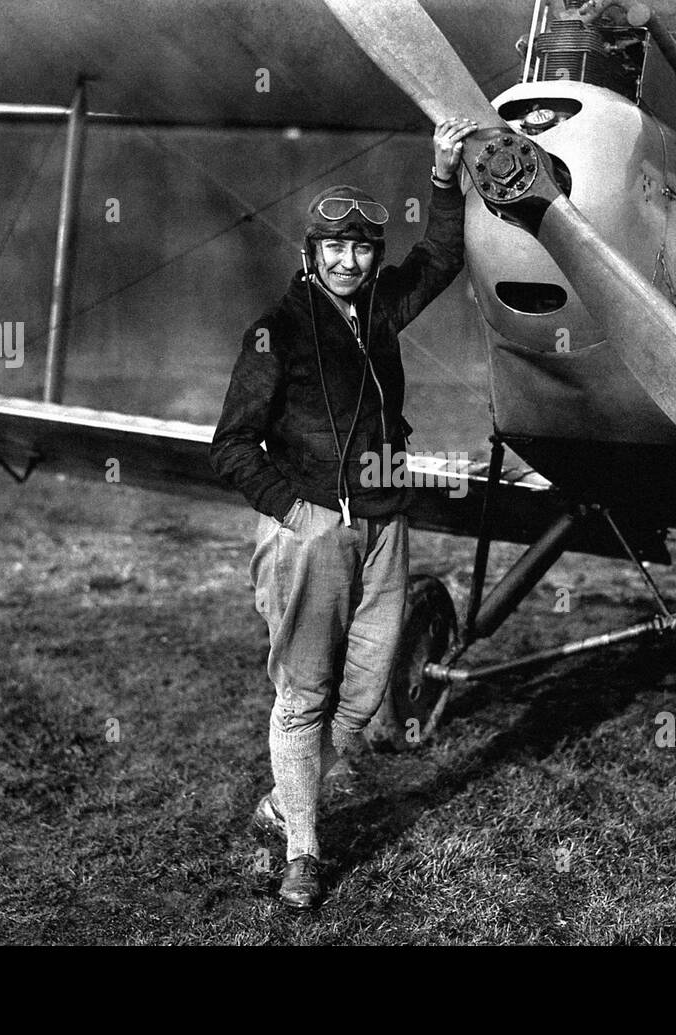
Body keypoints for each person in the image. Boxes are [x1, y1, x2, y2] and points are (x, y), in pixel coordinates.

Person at [210, 116, 477, 909]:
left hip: (385, 522)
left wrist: (440, 174)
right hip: (310, 532)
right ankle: (303, 852)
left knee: (362, 699)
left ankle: (283, 799)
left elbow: (443, 255)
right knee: (304, 692)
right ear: (311, 253)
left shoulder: (381, 313)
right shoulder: (277, 332)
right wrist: (297, 512)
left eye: (362, 247)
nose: (349, 260)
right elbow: (230, 446)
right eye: (335, 247)